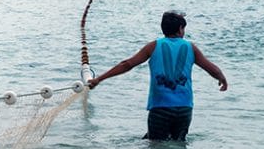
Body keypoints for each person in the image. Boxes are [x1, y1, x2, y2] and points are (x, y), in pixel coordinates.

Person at [87, 11, 228, 141]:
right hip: (184, 108)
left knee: (156, 147)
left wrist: (99, 79)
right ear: (180, 29)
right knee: (178, 145)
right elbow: (211, 68)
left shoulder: (153, 46)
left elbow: (127, 64)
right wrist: (221, 78)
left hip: (160, 107)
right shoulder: (190, 47)